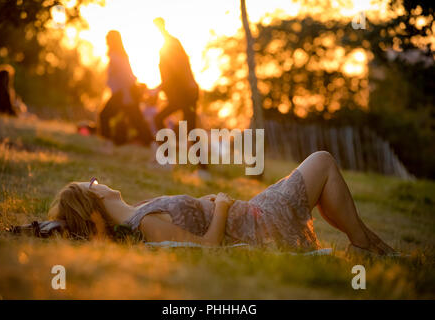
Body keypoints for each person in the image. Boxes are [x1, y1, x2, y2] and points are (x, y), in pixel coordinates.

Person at [48, 151, 396, 255]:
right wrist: (223, 207)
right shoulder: (143, 222)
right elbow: (208, 248)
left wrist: (206, 203)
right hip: (257, 221)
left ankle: (368, 245)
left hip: (250, 210)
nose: (100, 181)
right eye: (92, 182)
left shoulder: (137, 211)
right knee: (321, 162)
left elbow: (187, 220)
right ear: (94, 196)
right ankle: (366, 246)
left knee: (312, 172)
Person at [99, 30, 153, 146]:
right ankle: (150, 142)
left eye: (108, 38)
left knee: (104, 115)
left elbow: (126, 77)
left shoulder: (117, 56)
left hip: (123, 94)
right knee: (137, 121)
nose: (106, 41)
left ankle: (107, 143)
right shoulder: (118, 55)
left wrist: (127, 97)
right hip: (123, 94)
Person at [152, 17, 199, 133]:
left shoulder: (170, 45)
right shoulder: (169, 45)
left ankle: (168, 148)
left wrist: (159, 89)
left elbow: (173, 74)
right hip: (187, 91)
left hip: (186, 92)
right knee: (189, 127)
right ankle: (171, 147)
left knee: (188, 127)